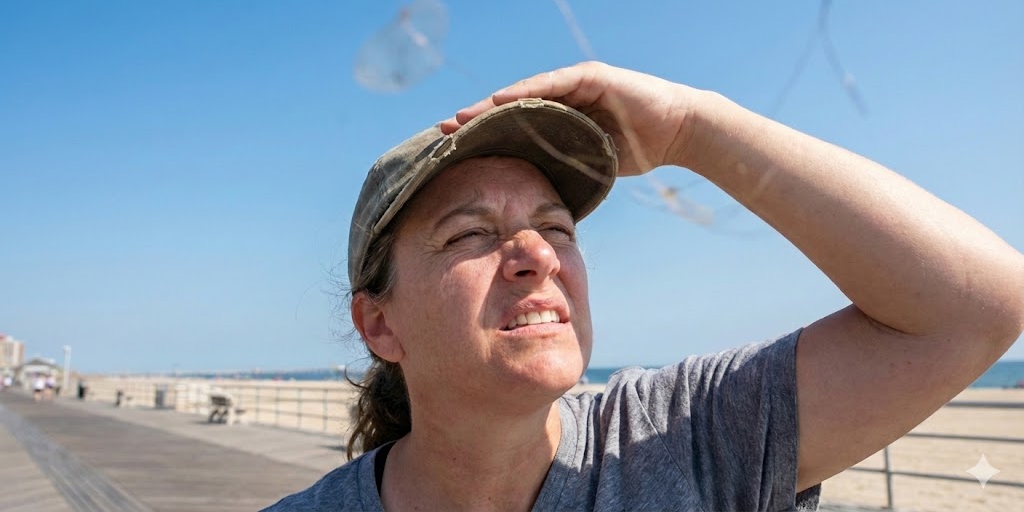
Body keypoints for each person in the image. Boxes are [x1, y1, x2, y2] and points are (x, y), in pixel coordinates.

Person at [265, 63, 1024, 511]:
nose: (537, 254)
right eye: (469, 234)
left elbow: (976, 305)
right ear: (379, 324)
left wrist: (692, 127)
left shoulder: (682, 436)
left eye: (558, 227)